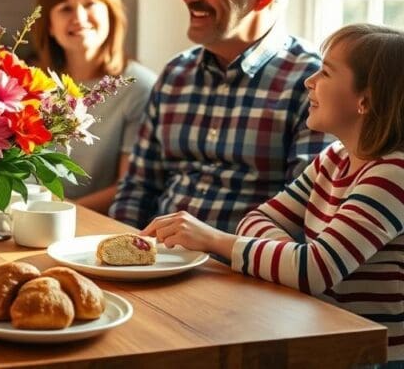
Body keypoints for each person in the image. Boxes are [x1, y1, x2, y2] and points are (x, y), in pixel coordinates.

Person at [145, 24, 404, 362]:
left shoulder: (393, 174)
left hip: (370, 354)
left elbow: (314, 271)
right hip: (325, 336)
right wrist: (293, 259)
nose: (309, 81)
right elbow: (257, 219)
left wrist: (211, 239)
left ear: (364, 100)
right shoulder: (333, 159)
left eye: (325, 73)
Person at [110, 0, 332, 232]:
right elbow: (138, 190)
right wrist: (116, 258)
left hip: (243, 274)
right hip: (154, 264)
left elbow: (303, 216)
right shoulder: (176, 74)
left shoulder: (312, 82)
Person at [33, 0, 156, 214]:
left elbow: (128, 185)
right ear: (49, 26)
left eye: (89, 4)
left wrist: (61, 213)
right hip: (26, 216)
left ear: (111, 14)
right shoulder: (33, 85)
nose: (79, 17)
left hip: (95, 224)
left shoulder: (140, 87)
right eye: (66, 8)